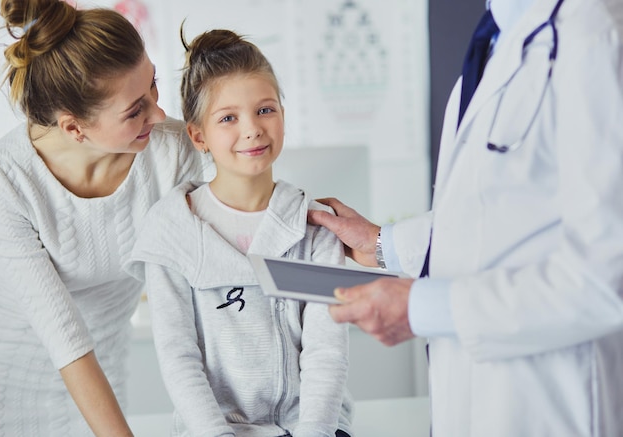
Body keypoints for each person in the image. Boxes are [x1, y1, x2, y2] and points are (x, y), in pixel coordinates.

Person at [308, 0, 623, 436]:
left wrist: (424, 307)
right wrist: (381, 242)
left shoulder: (594, 34)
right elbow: (491, 215)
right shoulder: (495, 44)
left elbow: (606, 278)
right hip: (469, 401)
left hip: (547, 406)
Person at [123, 29, 354, 437]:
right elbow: (180, 358)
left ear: (283, 113)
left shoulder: (316, 227)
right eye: (228, 118)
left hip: (311, 427)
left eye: (265, 110)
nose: (251, 129)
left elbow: (326, 352)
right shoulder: (172, 232)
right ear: (198, 136)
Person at [0, 0, 211, 435]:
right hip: (9, 383)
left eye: (153, 85)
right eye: (135, 110)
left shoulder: (171, 152)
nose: (159, 113)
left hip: (104, 382)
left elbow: (225, 247)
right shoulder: (8, 181)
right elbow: (64, 336)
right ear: (74, 128)